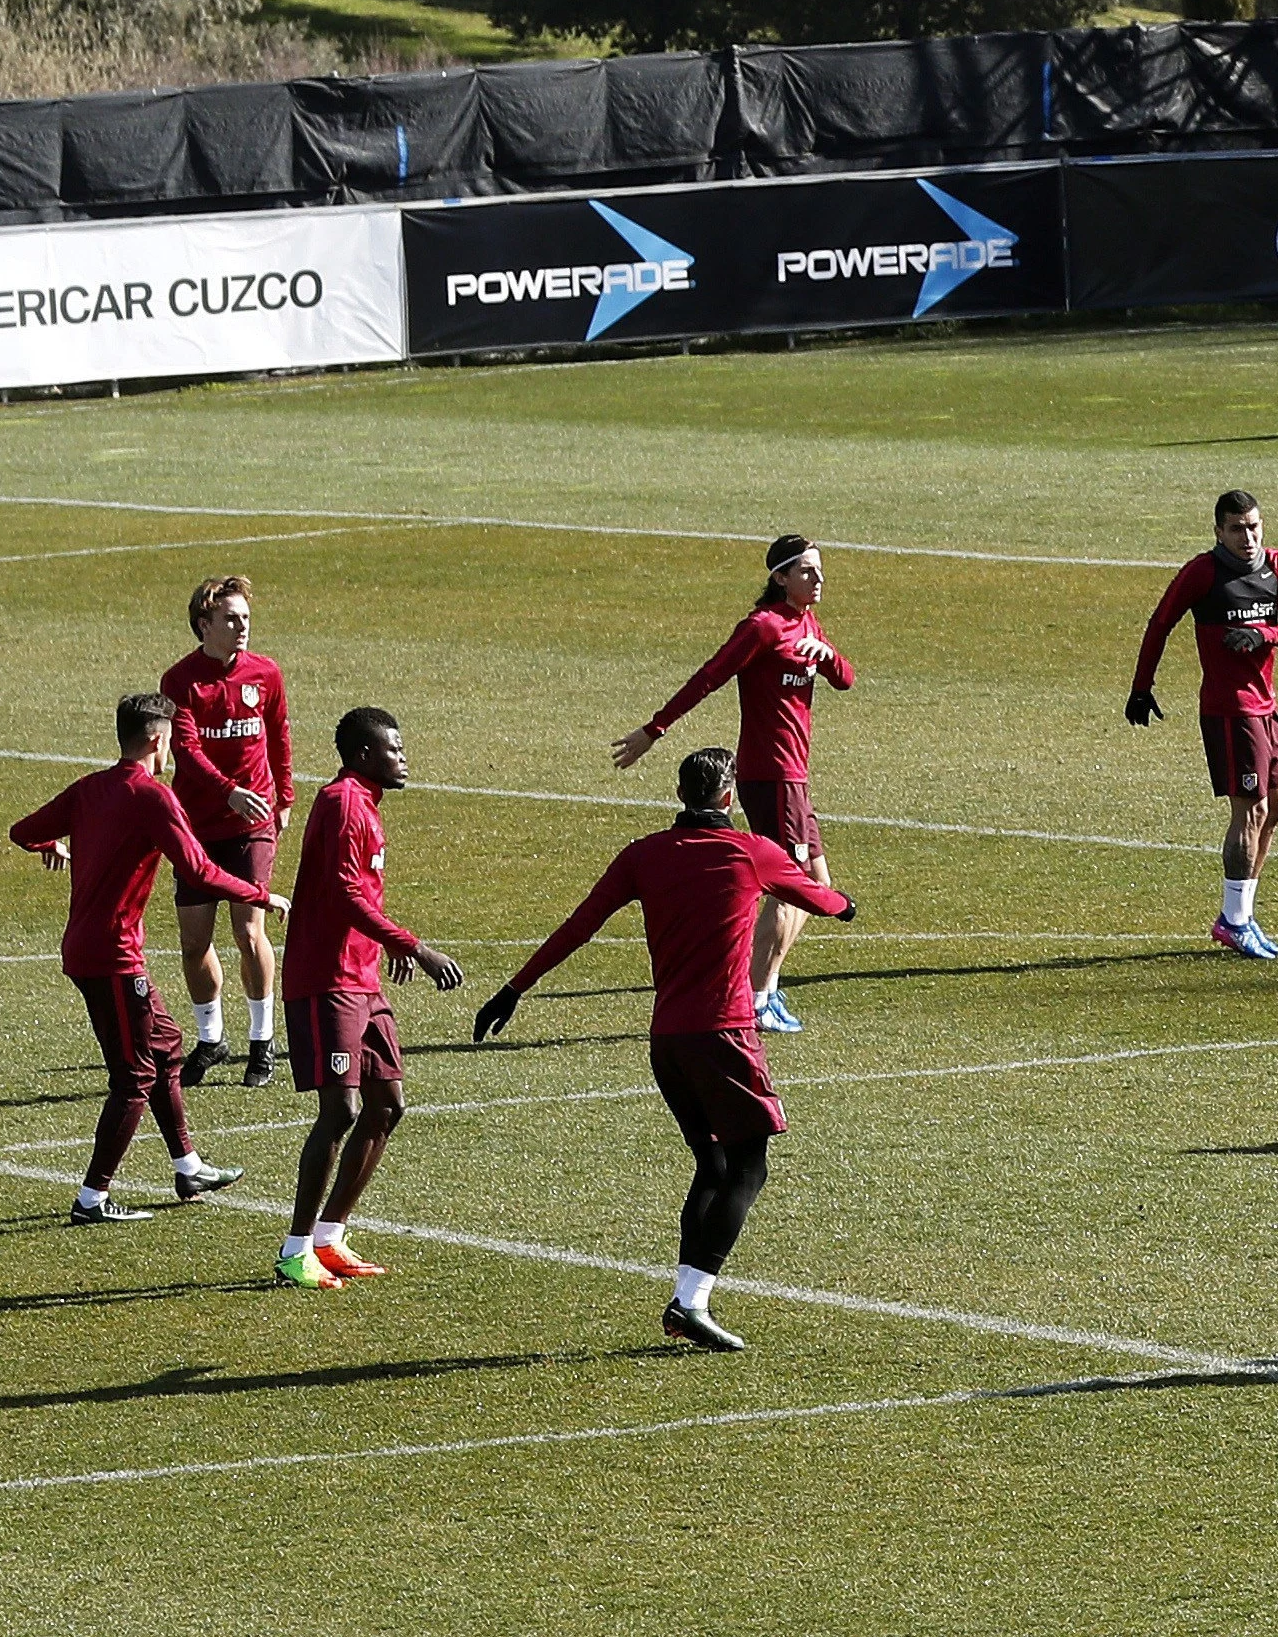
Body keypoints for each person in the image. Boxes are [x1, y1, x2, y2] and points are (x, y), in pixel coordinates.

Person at [479, 746, 857, 1353]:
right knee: (750, 1166)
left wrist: (513, 989)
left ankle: (688, 1303)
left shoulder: (643, 855)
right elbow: (820, 898)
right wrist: (845, 905)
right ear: (729, 796)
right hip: (725, 1034)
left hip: (668, 1040)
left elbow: (580, 925)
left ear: (681, 793)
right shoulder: (751, 852)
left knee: (711, 1164)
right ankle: (692, 1301)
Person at [13, 694, 279, 1221]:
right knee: (134, 1076)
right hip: (113, 956)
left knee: (166, 1046)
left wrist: (52, 844)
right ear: (159, 740)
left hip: (88, 948)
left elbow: (23, 831)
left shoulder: (91, 787)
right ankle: (93, 1198)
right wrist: (260, 895)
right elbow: (200, 872)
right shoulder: (153, 797)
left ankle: (188, 1166)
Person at [615, 534, 849, 1030]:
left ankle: (764, 988)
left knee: (817, 884)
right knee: (794, 885)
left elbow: (845, 678)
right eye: (807, 571)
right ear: (780, 576)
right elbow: (710, 675)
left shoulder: (806, 622)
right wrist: (655, 729)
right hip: (770, 774)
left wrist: (826, 657)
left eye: (820, 570)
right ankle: (759, 998)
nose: (818, 579)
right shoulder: (762, 628)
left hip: (794, 776)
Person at [273, 708, 462, 1288]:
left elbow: (360, 897)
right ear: (362, 756)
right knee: (342, 1110)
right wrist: (415, 946)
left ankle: (330, 1236)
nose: (403, 758)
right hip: (326, 979)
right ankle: (293, 1250)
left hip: (362, 977)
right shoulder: (342, 803)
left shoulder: (364, 804)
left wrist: (387, 948)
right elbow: (343, 893)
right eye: (393, 749)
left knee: (386, 1105)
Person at [1131, 491, 1278, 960]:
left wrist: (1262, 633)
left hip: (1266, 707)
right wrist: (1141, 686)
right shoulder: (1203, 573)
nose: (1247, 537)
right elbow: (1161, 622)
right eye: (1236, 528)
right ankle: (1232, 922)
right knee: (1248, 811)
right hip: (1229, 709)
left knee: (1274, 809)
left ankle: (1243, 916)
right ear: (1218, 532)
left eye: (1253, 526)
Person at [160, 575, 292, 1088]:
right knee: (194, 942)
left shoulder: (267, 672)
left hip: (253, 821)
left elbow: (279, 733)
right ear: (204, 625)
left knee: (248, 931)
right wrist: (227, 792)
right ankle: (211, 1039)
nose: (242, 628)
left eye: (246, 619)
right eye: (231, 620)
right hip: (197, 824)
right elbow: (186, 752)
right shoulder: (180, 680)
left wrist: (283, 797)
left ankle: (263, 1042)